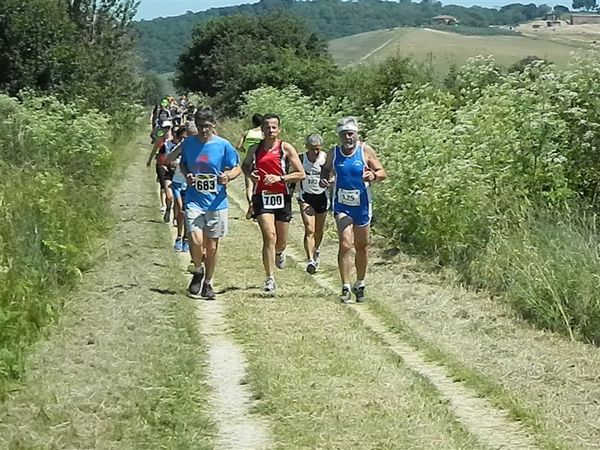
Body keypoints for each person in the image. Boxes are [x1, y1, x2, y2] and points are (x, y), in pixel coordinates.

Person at [320, 117, 387, 303]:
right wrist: (324, 179)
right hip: (342, 206)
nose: (347, 137)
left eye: (350, 134)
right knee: (345, 243)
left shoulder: (365, 150)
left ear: (356, 134)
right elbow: (325, 169)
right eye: (344, 134)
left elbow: (382, 172)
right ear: (339, 136)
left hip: (363, 206)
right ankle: (345, 286)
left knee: (362, 247)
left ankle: (360, 283)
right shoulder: (334, 153)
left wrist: (373, 175)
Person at [180, 108, 241, 300]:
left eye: (207, 126)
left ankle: (207, 283)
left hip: (216, 202)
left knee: (212, 246)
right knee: (196, 240)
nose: (204, 130)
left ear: (213, 125)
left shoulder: (223, 145)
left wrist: (228, 176)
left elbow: (236, 167)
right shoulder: (189, 143)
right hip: (194, 200)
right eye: (200, 127)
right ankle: (198, 269)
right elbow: (183, 163)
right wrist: (187, 174)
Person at [242, 114, 305, 295]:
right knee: (269, 236)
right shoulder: (255, 149)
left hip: (282, 196)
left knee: (281, 240)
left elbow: (301, 174)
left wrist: (280, 178)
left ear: (279, 129)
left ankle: (279, 252)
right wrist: (250, 174)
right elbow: (245, 165)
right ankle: (270, 278)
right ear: (262, 129)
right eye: (267, 127)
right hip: (262, 197)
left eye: (274, 127)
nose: (270, 130)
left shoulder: (286, 148)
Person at [297, 134, 329, 274]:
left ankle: (316, 250)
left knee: (318, 230)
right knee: (309, 229)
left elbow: (333, 173)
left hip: (322, 197)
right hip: (306, 197)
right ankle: (310, 260)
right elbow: (294, 174)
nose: (315, 152)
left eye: (317, 149)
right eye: (312, 149)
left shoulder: (326, 158)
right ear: (306, 147)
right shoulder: (301, 158)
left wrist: (330, 181)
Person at [236, 113, 264, 219]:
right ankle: (257, 207)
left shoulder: (246, 133)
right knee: (259, 186)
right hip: (260, 161)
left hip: (249, 161)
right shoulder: (263, 134)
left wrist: (247, 150)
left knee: (249, 186)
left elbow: (238, 146)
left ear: (253, 122)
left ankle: (251, 204)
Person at [146, 120, 174, 219]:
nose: (166, 130)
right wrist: (149, 160)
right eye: (164, 128)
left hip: (172, 166)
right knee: (163, 185)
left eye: (168, 128)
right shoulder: (160, 139)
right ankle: (163, 204)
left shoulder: (174, 139)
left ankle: (170, 203)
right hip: (161, 164)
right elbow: (154, 150)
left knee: (171, 186)